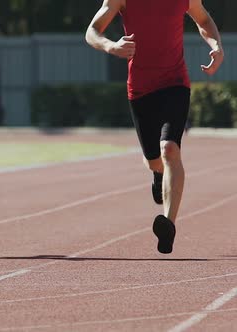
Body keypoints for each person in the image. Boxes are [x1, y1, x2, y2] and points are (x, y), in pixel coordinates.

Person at [86, 0, 224, 254]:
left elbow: (203, 20)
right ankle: (158, 174)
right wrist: (111, 46)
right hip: (140, 89)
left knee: (170, 149)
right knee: (154, 160)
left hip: (175, 83)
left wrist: (216, 46)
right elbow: (92, 30)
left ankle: (168, 224)